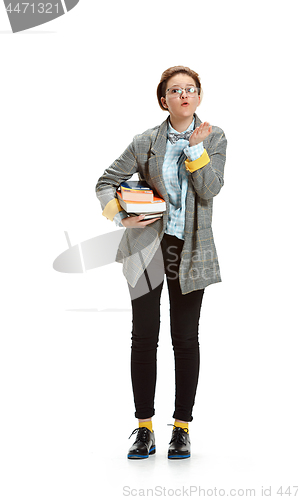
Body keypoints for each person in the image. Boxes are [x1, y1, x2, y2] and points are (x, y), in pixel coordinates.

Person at [95, 66, 227, 459]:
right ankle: (144, 428)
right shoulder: (145, 141)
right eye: (175, 90)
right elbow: (105, 181)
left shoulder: (214, 137)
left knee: (185, 338)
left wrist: (195, 149)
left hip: (191, 249)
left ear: (199, 97)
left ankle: (182, 429)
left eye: (191, 89)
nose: (184, 95)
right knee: (144, 337)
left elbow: (209, 189)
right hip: (147, 249)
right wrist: (120, 216)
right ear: (163, 100)